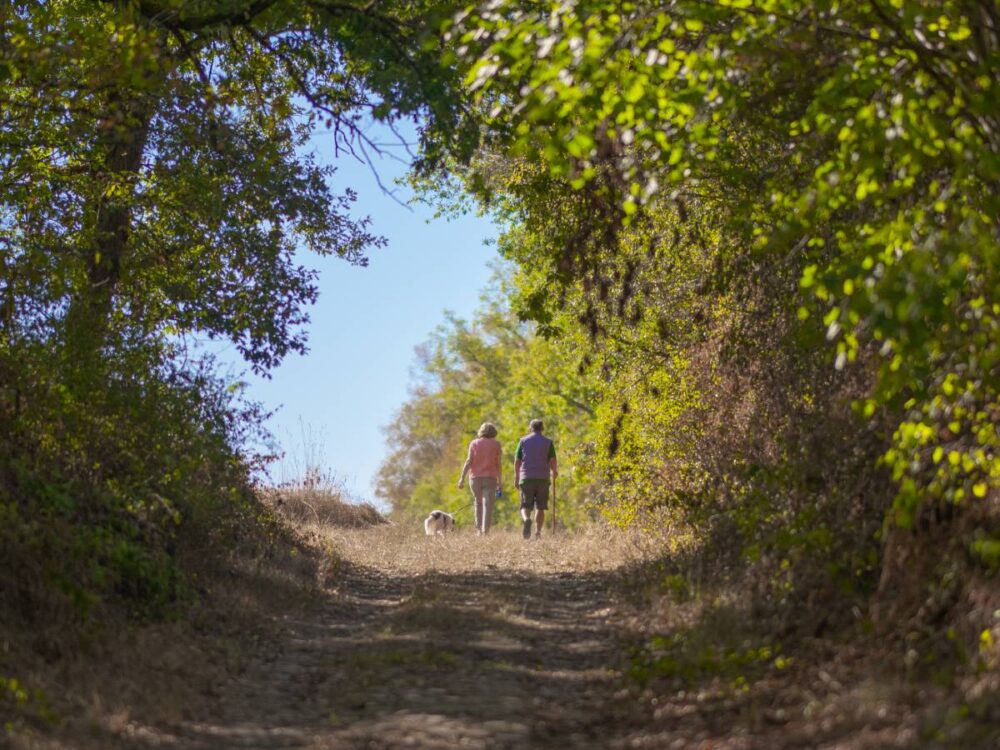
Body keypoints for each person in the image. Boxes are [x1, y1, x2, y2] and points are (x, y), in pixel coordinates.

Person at [513, 419, 557, 540]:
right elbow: (553, 460)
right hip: (543, 478)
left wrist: (516, 477)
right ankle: (538, 533)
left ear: (530, 428)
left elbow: (517, 461)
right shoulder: (548, 442)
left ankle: (527, 520)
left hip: (526, 478)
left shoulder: (523, 441)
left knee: (525, 506)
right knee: (541, 507)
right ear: (542, 428)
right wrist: (554, 471)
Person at [457, 422, 503, 535]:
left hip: (475, 478)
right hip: (490, 478)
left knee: (478, 503)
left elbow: (469, 461)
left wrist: (462, 478)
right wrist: (499, 482)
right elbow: (498, 464)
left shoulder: (474, 443)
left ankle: (478, 530)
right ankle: (485, 531)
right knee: (488, 504)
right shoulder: (496, 444)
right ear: (493, 432)